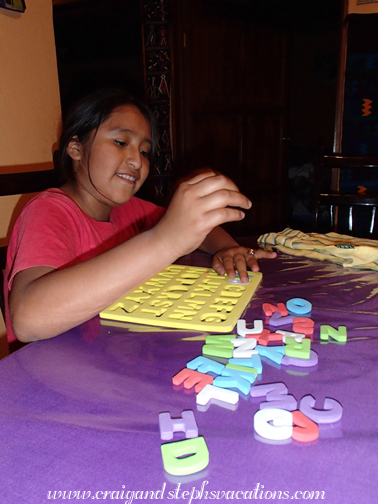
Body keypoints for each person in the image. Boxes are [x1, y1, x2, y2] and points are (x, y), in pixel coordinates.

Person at [4, 88, 276, 343]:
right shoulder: (47, 211)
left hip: (113, 352)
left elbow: (195, 228)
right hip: (50, 371)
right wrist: (164, 241)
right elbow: (28, 320)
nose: (137, 160)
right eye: (121, 142)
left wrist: (227, 247)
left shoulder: (131, 210)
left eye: (145, 151)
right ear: (75, 148)